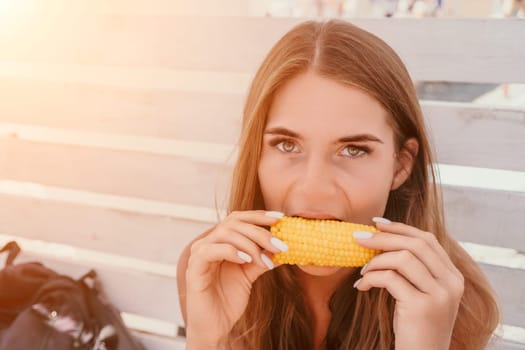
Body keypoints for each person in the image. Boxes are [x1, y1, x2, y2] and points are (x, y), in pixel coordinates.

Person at [177, 19, 499, 349]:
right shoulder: (209, 268)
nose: (313, 189)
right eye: (287, 145)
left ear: (400, 165)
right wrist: (206, 338)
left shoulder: (453, 302)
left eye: (353, 150)